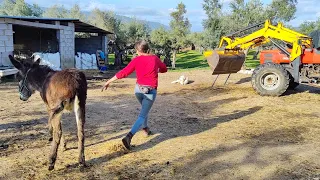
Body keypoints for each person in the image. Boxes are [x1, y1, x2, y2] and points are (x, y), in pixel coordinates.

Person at [101, 40, 168, 150]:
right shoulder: (154, 58)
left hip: (138, 90)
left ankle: (145, 129)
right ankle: (128, 137)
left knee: (144, 110)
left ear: (138, 51)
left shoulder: (136, 60)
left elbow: (124, 72)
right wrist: (157, 69)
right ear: (148, 49)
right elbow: (165, 69)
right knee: (142, 115)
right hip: (149, 91)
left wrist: (108, 81)